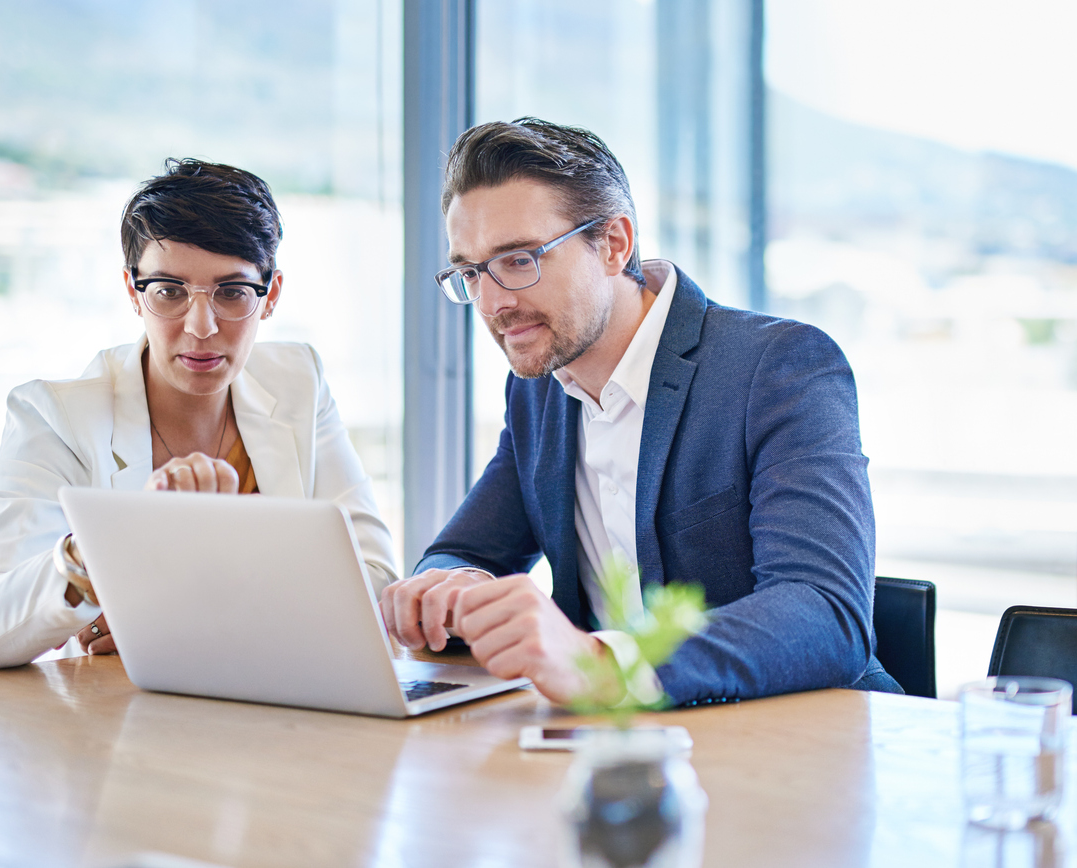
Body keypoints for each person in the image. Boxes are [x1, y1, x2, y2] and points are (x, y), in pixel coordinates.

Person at [379, 118, 901, 707]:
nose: (494, 302)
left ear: (614, 244)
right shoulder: (540, 388)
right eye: (471, 272)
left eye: (519, 259)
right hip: (615, 750)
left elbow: (825, 611)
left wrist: (604, 663)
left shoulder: (778, 367)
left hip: (797, 739)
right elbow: (470, 550)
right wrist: (453, 587)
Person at [0, 159, 398, 671]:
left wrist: (177, 614)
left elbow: (375, 579)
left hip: (271, 710)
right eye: (169, 291)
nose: (202, 326)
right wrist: (109, 547)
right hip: (110, 727)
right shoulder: (55, 417)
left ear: (270, 295)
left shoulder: (299, 381)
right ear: (132, 292)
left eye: (232, 292)